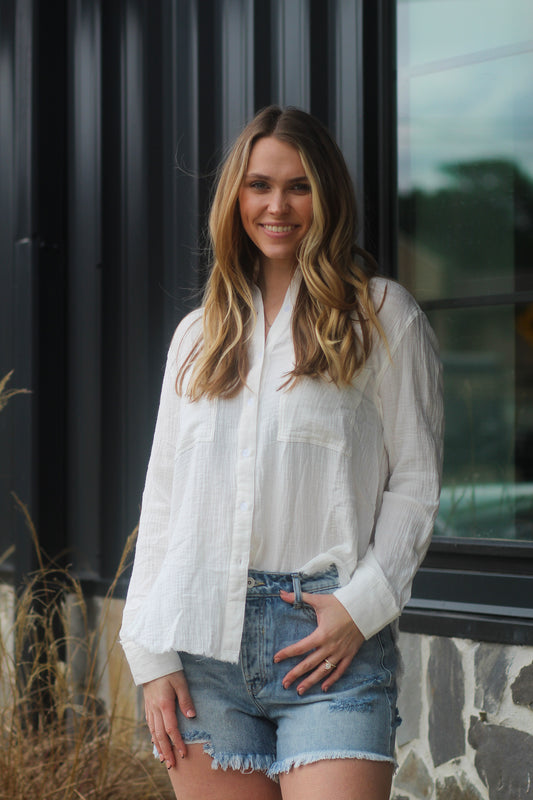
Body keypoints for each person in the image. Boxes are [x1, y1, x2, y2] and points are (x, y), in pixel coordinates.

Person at [120, 105, 443, 800]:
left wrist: (362, 605)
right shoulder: (196, 338)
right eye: (259, 185)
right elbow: (164, 499)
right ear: (235, 197)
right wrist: (149, 655)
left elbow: (414, 482)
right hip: (203, 641)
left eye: (298, 186)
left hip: (330, 647)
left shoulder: (383, 318)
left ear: (326, 197)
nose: (277, 205)